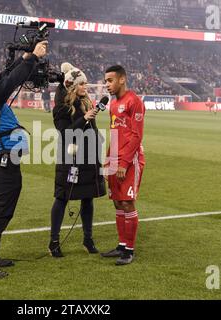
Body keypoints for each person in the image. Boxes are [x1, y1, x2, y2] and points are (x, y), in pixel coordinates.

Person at [0, 40, 48, 278]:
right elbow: (10, 82)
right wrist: (33, 57)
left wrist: (23, 60)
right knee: (0, 210)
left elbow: (4, 78)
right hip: (2, 158)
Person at [49, 62, 106, 258]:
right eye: (81, 84)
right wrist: (85, 118)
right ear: (72, 86)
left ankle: (88, 239)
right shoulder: (62, 108)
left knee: (88, 198)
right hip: (70, 159)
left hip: (89, 159)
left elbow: (92, 130)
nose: (85, 87)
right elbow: (66, 134)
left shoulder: (87, 103)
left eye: (86, 84)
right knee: (62, 198)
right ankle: (54, 242)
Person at [101, 65, 145, 265]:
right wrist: (108, 160)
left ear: (122, 79)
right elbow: (114, 133)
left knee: (127, 202)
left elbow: (136, 136)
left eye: (110, 80)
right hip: (115, 159)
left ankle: (129, 250)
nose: (107, 85)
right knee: (117, 202)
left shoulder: (134, 101)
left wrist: (124, 163)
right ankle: (121, 245)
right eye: (105, 81)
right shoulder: (112, 103)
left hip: (130, 160)